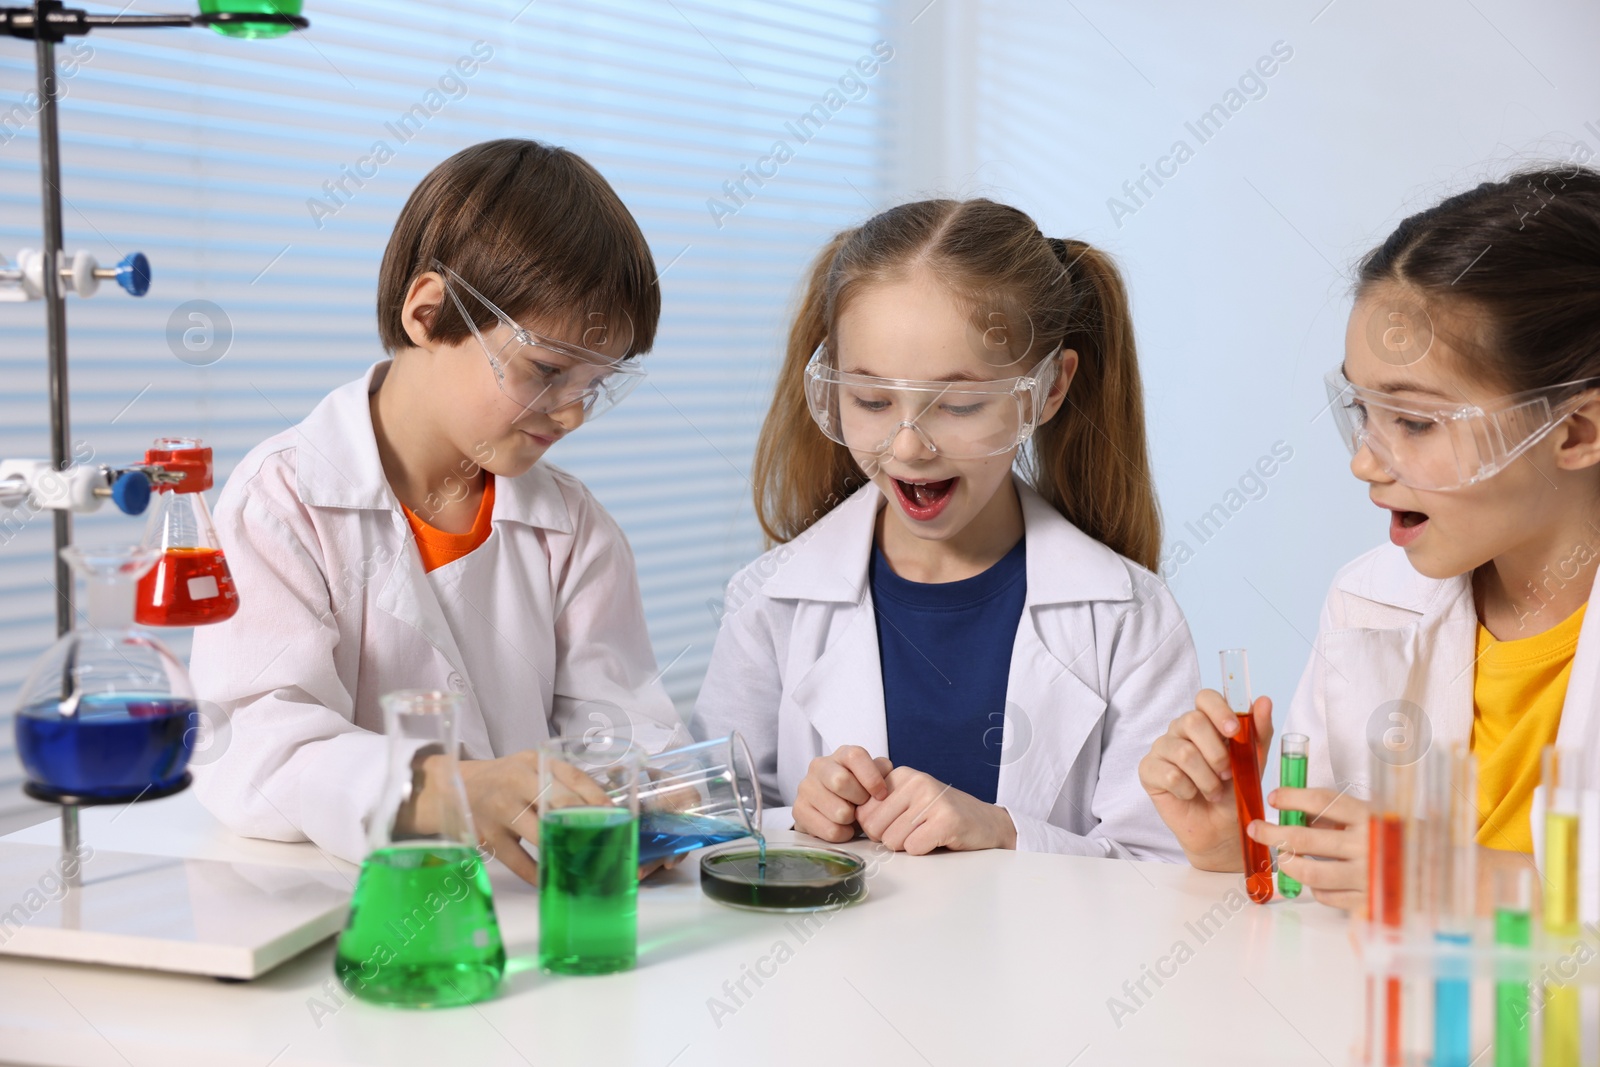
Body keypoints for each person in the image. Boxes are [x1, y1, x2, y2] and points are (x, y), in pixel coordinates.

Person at [189, 139, 687, 881]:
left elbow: (623, 728)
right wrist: (442, 791)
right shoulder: (283, 501)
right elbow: (260, 750)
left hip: (524, 921)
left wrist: (635, 801)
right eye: (547, 371)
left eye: (595, 384)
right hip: (338, 911)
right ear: (427, 312)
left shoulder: (572, 530)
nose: (573, 413)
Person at [1140, 165, 1600, 911]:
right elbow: (1337, 893)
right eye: (1363, 411)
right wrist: (1248, 841)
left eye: (1416, 422)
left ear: (1576, 430)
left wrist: (1472, 881)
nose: (1364, 460)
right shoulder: (1370, 602)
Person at [693, 198, 1199, 859]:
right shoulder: (769, 602)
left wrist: (1004, 833)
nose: (907, 447)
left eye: (958, 404)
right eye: (871, 400)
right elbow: (707, 824)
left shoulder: (1130, 619)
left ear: (1047, 390)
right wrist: (797, 817)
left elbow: (1165, 873)